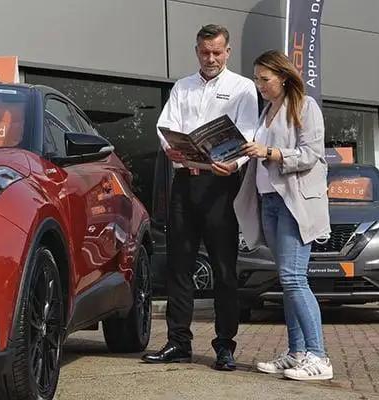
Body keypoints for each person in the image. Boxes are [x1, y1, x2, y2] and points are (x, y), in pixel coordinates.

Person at [140, 24, 260, 372]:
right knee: (179, 266)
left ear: (227, 51)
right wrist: (171, 148)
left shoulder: (243, 89)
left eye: (217, 52)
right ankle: (179, 342)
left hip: (221, 186)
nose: (210, 58)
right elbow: (166, 126)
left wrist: (234, 162)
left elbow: (249, 133)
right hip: (184, 184)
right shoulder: (182, 86)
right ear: (197, 51)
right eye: (205, 52)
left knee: (224, 270)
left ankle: (225, 346)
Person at [227, 50, 333, 381]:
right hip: (269, 202)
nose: (258, 84)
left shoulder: (305, 106)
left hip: (294, 202)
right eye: (256, 78)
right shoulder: (266, 111)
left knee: (293, 278)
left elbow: (311, 154)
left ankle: (319, 357)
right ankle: (297, 352)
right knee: (287, 281)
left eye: (264, 79)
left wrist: (270, 152)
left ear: (283, 77)